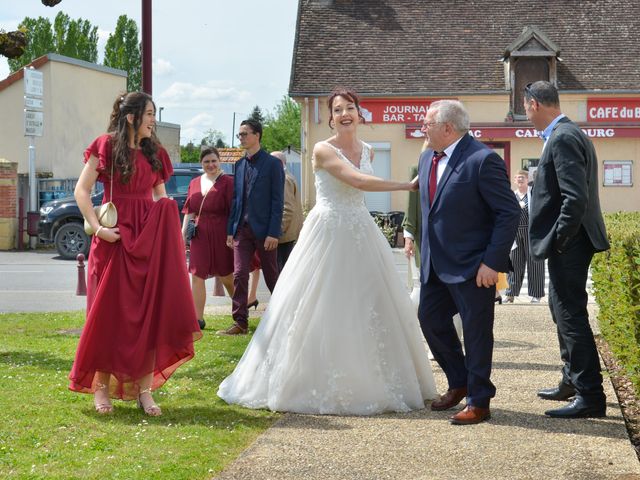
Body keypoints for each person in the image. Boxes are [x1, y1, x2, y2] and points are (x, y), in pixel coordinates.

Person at [217, 87, 437, 414]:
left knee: (369, 302)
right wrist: (406, 185)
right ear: (331, 118)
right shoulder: (322, 149)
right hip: (327, 231)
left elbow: (361, 185)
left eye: (350, 107)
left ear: (359, 113)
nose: (345, 114)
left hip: (360, 229)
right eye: (337, 110)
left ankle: (376, 378)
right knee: (318, 302)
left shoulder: (369, 150)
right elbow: (357, 181)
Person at [68, 92, 202, 416]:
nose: (153, 120)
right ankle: (100, 390)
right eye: (150, 114)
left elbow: (160, 197)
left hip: (148, 242)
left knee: (149, 315)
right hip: (114, 240)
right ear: (131, 117)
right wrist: (97, 229)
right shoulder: (106, 146)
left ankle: (145, 391)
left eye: (154, 114)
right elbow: (81, 190)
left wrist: (168, 220)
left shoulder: (154, 153)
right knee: (107, 317)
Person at [417, 99, 520, 425]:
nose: (423, 128)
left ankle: (479, 400)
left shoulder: (482, 159)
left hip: (475, 267)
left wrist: (493, 262)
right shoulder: (425, 159)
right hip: (435, 264)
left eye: (427, 123)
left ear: (447, 127)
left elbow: (509, 213)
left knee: (476, 333)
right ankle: (459, 380)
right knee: (429, 320)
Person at [524, 80, 610, 418]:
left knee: (571, 316)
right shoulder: (565, 134)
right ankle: (572, 380)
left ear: (533, 104)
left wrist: (560, 239)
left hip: (570, 243)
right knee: (562, 312)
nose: (527, 114)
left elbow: (575, 198)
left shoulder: (562, 137)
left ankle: (590, 396)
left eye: (525, 107)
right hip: (571, 241)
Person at [221, 119, 285, 335]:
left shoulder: (273, 164)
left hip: (265, 231)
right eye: (239, 134)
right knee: (239, 274)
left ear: (257, 135)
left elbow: (278, 201)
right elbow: (236, 200)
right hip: (241, 230)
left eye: (244, 134)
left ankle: (281, 317)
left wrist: (273, 232)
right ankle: (240, 322)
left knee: (271, 276)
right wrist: (231, 229)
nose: (241, 138)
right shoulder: (238, 165)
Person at [182, 146, 235, 330]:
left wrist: (232, 234)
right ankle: (198, 319)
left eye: (213, 161)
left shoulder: (227, 182)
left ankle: (239, 313)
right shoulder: (195, 182)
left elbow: (233, 211)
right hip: (200, 232)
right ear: (201, 163)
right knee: (197, 274)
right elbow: (190, 211)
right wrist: (183, 236)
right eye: (206, 161)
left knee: (227, 274)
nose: (210, 164)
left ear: (219, 161)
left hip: (222, 231)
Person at [504, 170, 545, 303]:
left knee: (535, 263)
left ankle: (536, 294)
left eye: (522, 178)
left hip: (531, 232)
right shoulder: (512, 195)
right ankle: (510, 294)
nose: (520, 180)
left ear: (528, 180)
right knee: (514, 263)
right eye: (517, 178)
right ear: (514, 181)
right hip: (515, 233)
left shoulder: (533, 193)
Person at [272, 151, 304, 271]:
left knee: (281, 272)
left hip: (284, 235)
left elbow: (287, 209)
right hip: (288, 233)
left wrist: (276, 232)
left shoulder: (283, 179)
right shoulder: (287, 176)